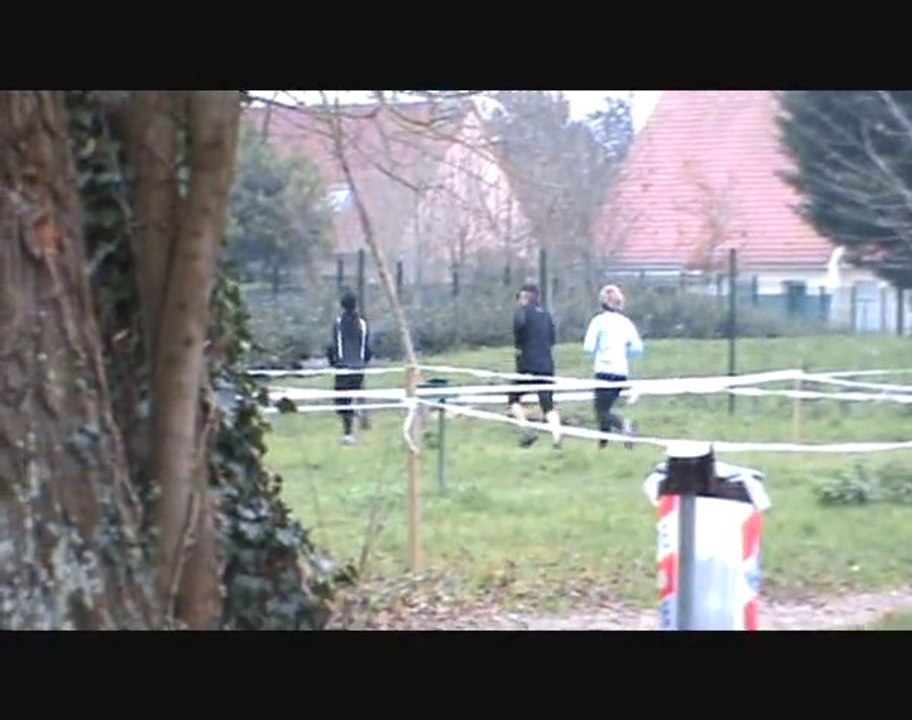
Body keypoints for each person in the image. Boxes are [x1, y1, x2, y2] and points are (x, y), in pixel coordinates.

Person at [583, 284, 643, 449]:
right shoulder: (626, 323)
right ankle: (603, 446)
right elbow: (638, 348)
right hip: (621, 371)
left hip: (604, 370)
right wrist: (623, 354)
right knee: (606, 409)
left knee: (601, 411)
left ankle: (624, 425)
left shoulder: (598, 321)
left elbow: (588, 347)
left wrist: (600, 352)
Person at [508, 283, 562, 449]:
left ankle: (526, 428)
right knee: (548, 404)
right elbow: (552, 340)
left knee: (513, 398)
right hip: (546, 365)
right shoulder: (546, 316)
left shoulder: (521, 314)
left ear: (525, 298)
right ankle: (557, 438)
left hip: (527, 366)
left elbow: (518, 339)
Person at [326, 290, 372, 445]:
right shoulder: (363, 324)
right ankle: (355, 416)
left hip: (343, 367)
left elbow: (333, 346)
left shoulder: (338, 323)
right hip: (358, 368)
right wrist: (363, 362)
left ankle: (348, 433)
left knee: (341, 402)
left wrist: (333, 362)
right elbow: (367, 348)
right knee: (348, 399)